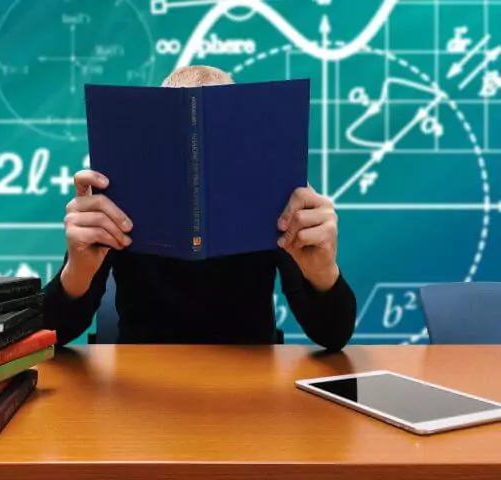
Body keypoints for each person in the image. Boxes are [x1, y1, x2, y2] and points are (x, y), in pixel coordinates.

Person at [42, 65, 357, 349]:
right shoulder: (116, 194)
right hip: (140, 388)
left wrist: (323, 273)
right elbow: (52, 333)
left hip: (250, 388)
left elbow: (333, 335)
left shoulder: (273, 195)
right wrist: (77, 273)